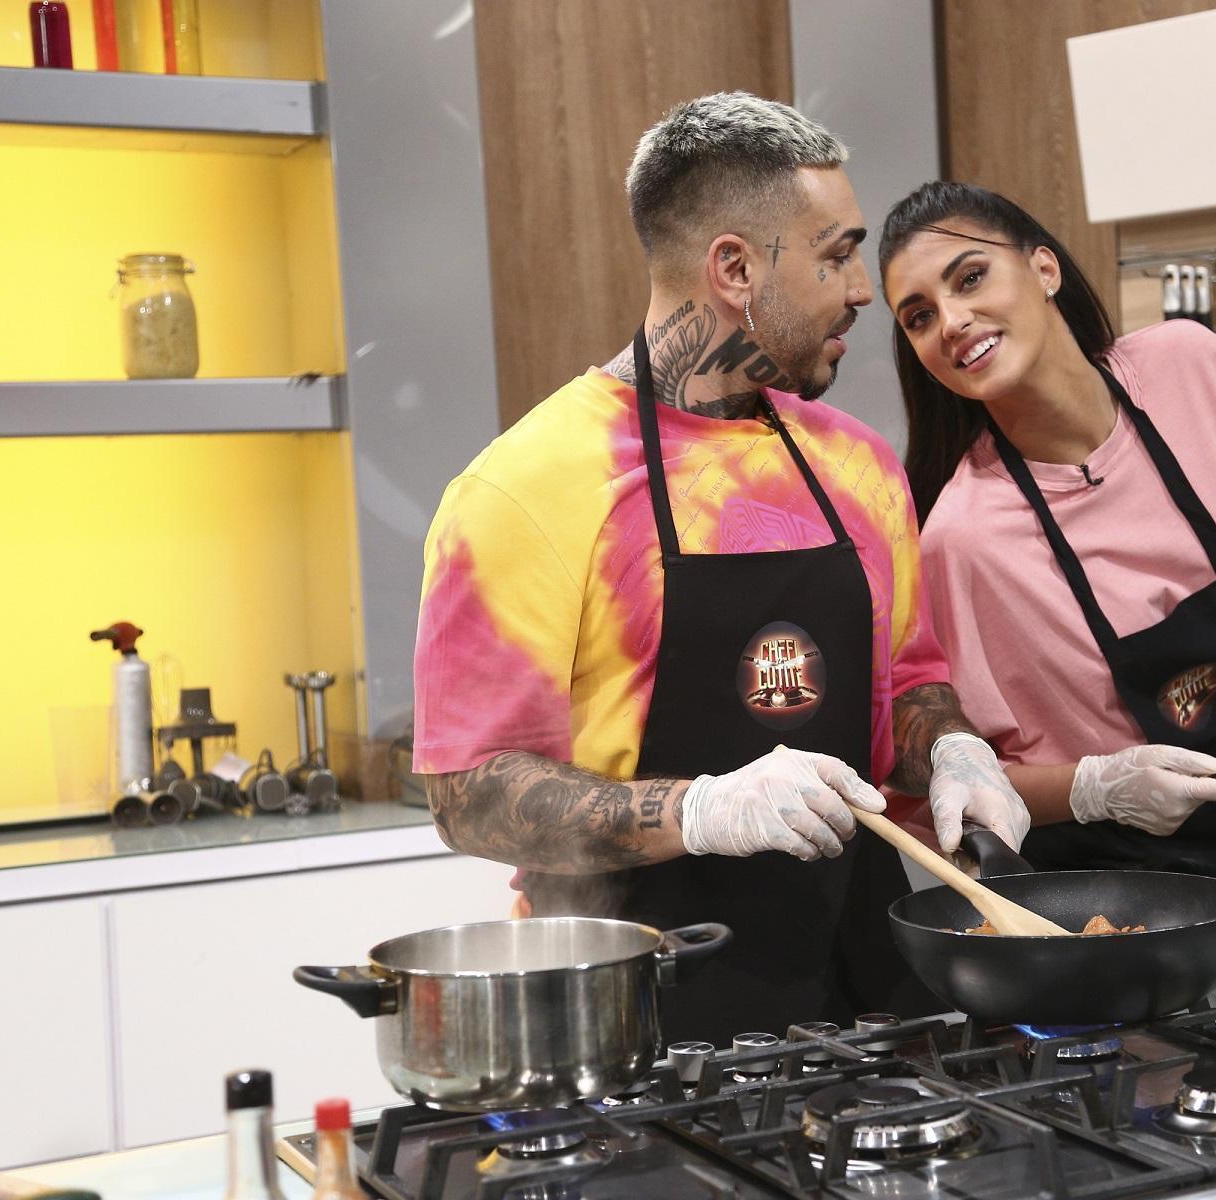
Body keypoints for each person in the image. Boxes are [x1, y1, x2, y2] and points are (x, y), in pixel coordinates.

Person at [412, 97, 1030, 1046]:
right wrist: (700, 811)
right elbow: (469, 797)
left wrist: (951, 750)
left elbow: (906, 685)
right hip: (635, 1003)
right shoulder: (526, 487)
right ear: (735, 269)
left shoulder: (858, 466)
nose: (861, 290)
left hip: (861, 991)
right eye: (834, 257)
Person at [876, 181, 1216, 891]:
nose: (951, 321)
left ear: (1044, 268)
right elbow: (955, 789)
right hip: (1090, 894)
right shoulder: (963, 538)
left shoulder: (1191, 367)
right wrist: (1096, 787)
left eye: (971, 277)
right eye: (920, 316)